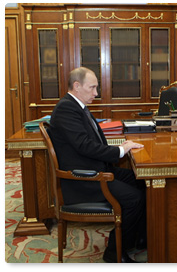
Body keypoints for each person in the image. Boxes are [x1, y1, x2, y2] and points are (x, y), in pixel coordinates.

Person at [49, 67, 146, 262]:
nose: (96, 93)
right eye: (92, 87)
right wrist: (120, 151)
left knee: (141, 180)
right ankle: (114, 252)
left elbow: (90, 144)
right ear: (77, 86)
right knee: (134, 199)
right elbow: (85, 146)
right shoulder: (66, 108)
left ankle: (138, 237)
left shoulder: (78, 106)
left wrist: (121, 146)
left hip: (97, 170)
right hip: (83, 179)